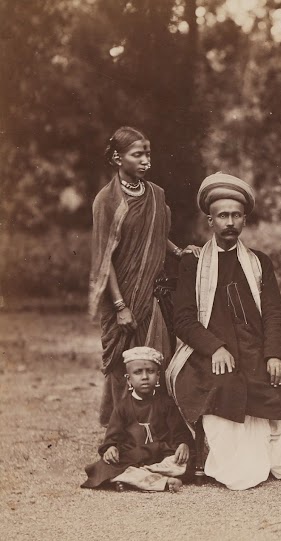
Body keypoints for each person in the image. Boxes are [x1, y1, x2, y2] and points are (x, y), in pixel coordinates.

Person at [167, 172, 281, 491]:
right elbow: (184, 319)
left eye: (236, 215)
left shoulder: (258, 262)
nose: (230, 222)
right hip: (216, 354)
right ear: (210, 220)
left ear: (244, 219)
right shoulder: (193, 264)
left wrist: (274, 353)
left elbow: (274, 313)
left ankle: (280, 459)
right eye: (223, 216)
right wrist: (214, 348)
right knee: (225, 389)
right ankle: (237, 462)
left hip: (258, 349)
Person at [89, 126, 199, 426]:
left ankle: (153, 426)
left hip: (152, 292)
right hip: (120, 297)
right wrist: (121, 306)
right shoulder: (106, 200)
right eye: (137, 155)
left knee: (154, 356)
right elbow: (104, 259)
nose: (145, 161)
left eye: (147, 154)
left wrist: (179, 253)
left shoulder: (155, 194)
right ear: (117, 157)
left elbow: (157, 236)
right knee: (121, 362)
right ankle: (121, 428)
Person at [81, 347, 191, 492]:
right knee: (103, 467)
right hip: (134, 455)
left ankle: (132, 479)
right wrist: (110, 448)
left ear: (158, 376)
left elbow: (179, 432)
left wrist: (183, 445)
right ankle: (163, 482)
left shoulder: (166, 403)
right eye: (138, 372)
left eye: (150, 371)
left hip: (161, 455)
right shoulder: (122, 407)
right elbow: (112, 437)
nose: (145, 377)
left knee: (183, 462)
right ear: (129, 379)